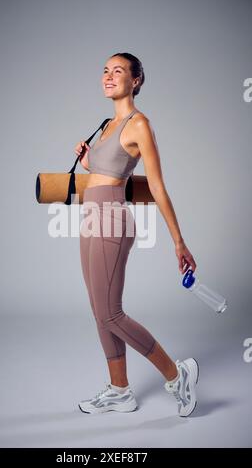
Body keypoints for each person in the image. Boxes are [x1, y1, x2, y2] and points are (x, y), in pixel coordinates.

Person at [74, 52, 198, 417]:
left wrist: (179, 241)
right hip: (90, 218)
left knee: (112, 314)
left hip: (112, 219)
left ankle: (177, 375)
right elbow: (103, 171)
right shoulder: (106, 125)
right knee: (100, 312)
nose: (109, 77)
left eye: (119, 71)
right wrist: (87, 159)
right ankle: (120, 390)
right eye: (105, 71)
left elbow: (157, 186)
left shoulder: (139, 124)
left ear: (136, 81)